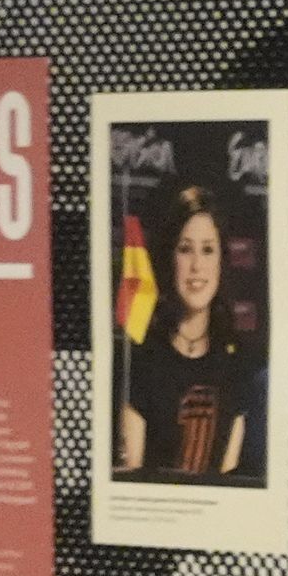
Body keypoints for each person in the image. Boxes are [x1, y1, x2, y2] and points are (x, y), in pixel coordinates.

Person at [117, 184, 260, 479]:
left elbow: (229, 480)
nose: (197, 266)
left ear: (221, 261)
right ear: (170, 259)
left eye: (208, 250)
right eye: (185, 249)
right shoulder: (142, 362)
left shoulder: (238, 366)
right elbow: (131, 478)